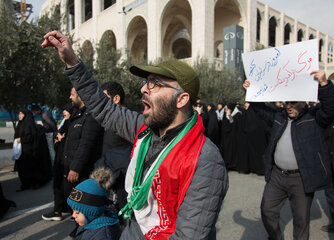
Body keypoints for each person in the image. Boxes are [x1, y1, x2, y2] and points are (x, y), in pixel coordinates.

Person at [42, 31, 228, 240]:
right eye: (145, 82)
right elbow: (106, 109)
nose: (143, 90)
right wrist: (73, 63)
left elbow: (188, 236)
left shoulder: (205, 159)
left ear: (182, 99)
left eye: (155, 83)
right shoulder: (145, 130)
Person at [243, 70, 334, 240]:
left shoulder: (314, 118)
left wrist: (324, 84)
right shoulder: (278, 117)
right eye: (287, 102)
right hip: (277, 176)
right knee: (267, 211)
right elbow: (259, 109)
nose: (289, 105)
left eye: (294, 102)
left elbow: (332, 108)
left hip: (301, 179)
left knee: (301, 221)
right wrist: (249, 91)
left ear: (304, 101)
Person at [42, 87, 103, 238]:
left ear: (81, 96)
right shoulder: (76, 115)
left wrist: (75, 168)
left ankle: (88, 232)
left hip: (82, 172)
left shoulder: (90, 116)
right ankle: (80, 230)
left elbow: (85, 145)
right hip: (69, 168)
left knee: (84, 207)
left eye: (72, 94)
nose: (70, 97)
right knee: (75, 206)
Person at [95, 81, 133, 227]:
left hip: (123, 183)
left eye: (104, 97)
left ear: (115, 99)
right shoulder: (109, 120)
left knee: (126, 222)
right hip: (109, 179)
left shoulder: (129, 121)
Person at [67, 168, 120, 240]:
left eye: (77, 212)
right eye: (73, 210)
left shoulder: (104, 236)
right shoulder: (88, 222)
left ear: (92, 212)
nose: (73, 215)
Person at [42, 103, 73, 221]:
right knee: (58, 185)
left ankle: (72, 212)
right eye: (63, 110)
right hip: (60, 160)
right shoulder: (65, 122)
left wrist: (62, 139)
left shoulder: (73, 123)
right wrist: (58, 139)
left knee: (68, 187)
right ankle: (58, 210)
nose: (64, 112)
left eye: (66, 110)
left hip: (67, 161)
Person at [14, 108, 52, 191]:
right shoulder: (20, 125)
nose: (19, 116)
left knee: (32, 168)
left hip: (30, 151)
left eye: (21, 114)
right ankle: (25, 184)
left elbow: (31, 137)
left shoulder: (30, 125)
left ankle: (35, 183)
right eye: (19, 114)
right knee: (22, 169)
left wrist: (22, 140)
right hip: (21, 151)